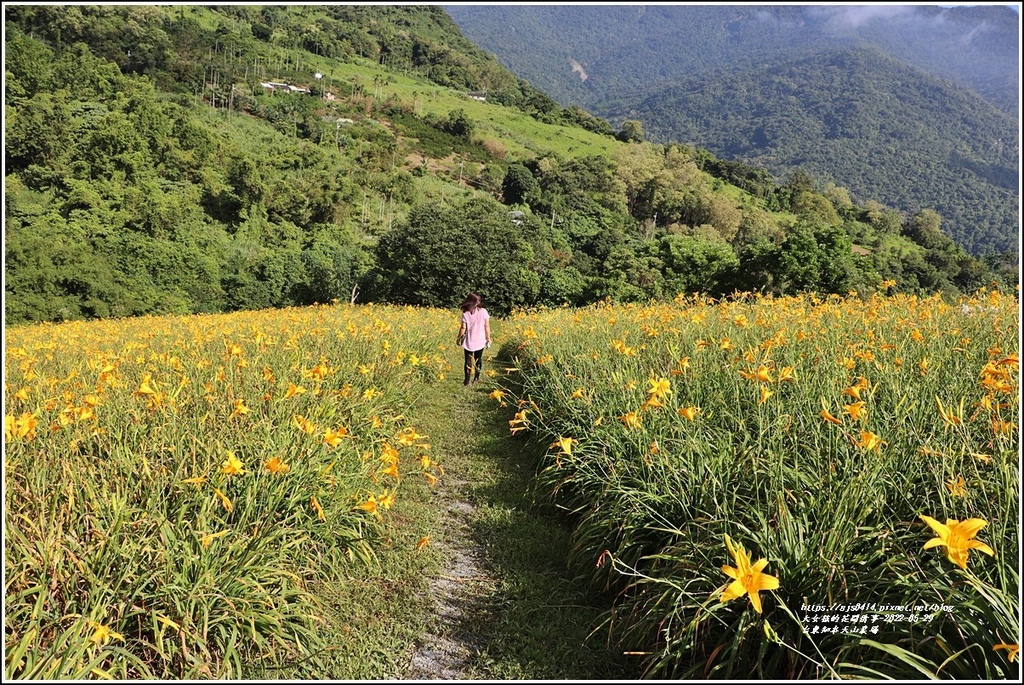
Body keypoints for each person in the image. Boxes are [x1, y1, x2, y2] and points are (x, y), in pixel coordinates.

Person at [456, 293, 491, 385]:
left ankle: (467, 381)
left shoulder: (465, 313)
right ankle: (476, 378)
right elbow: (486, 326)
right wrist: (488, 338)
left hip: (469, 340)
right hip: (480, 339)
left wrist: (459, 338)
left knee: (468, 360)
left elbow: (463, 328)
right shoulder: (483, 311)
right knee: (478, 359)